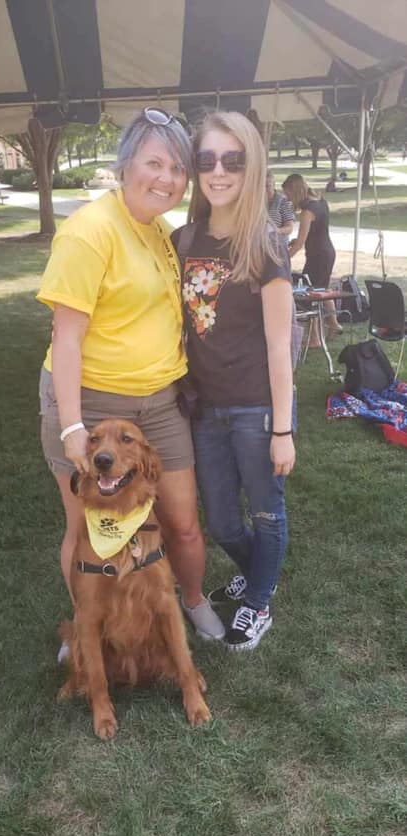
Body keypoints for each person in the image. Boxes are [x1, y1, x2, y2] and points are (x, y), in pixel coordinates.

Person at [37, 107, 224, 643]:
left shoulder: (160, 230)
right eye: (154, 163)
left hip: (160, 404)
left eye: (178, 169)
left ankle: (192, 600)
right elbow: (66, 337)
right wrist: (73, 426)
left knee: (182, 520)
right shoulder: (89, 232)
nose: (167, 178)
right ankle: (87, 630)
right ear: (126, 166)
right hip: (92, 404)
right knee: (87, 529)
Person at [171, 112, 295, 652]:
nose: (218, 172)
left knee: (266, 513)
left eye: (233, 160)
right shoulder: (182, 240)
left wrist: (283, 430)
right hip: (204, 410)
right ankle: (260, 574)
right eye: (207, 160)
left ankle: (259, 601)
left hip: (256, 409)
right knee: (221, 522)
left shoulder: (266, 245)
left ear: (252, 166)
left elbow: (279, 345)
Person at [282, 173, 342, 345]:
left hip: (318, 256)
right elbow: (316, 231)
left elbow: (300, 243)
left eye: (288, 194)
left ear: (295, 191)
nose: (288, 199)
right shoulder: (321, 202)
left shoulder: (307, 212)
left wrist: (284, 259)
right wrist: (297, 241)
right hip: (327, 252)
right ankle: (334, 324)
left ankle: (315, 338)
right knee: (322, 289)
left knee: (311, 294)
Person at [266, 169, 295, 240]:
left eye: (267, 186)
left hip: (277, 244)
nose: (264, 189)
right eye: (261, 186)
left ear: (274, 184)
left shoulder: (283, 202)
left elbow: (290, 227)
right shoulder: (254, 202)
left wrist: (277, 230)